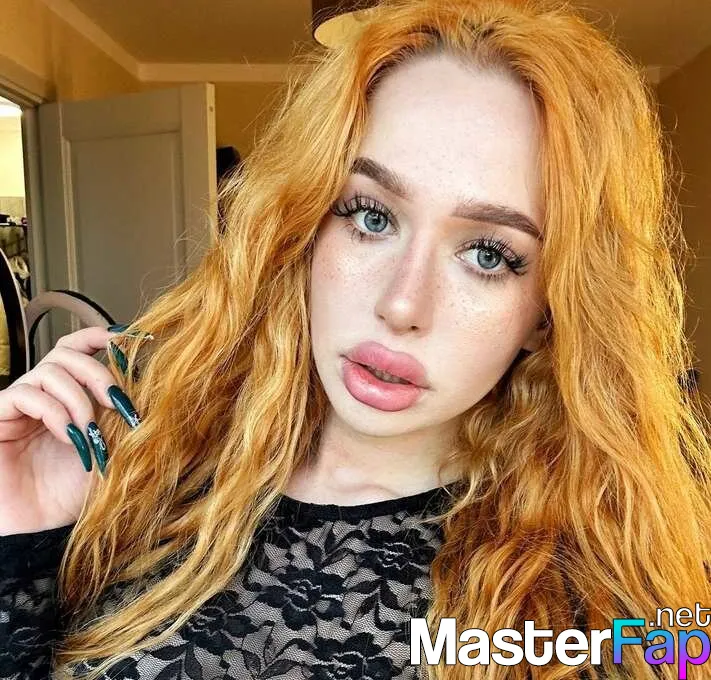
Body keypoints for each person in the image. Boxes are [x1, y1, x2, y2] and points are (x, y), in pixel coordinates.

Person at [1, 0, 710, 678]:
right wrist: (19, 523)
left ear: (549, 309)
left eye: (488, 254)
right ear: (304, 225)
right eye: (371, 216)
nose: (401, 304)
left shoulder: (615, 599)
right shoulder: (149, 473)